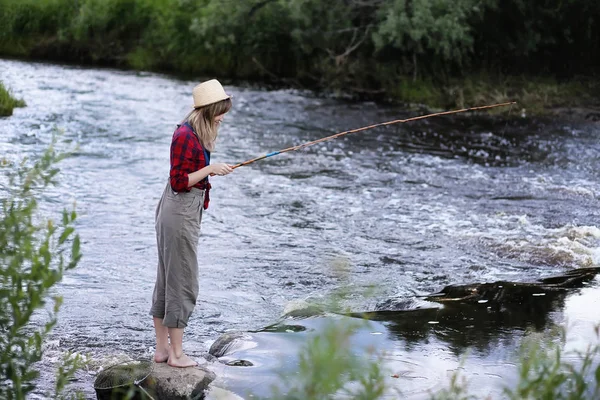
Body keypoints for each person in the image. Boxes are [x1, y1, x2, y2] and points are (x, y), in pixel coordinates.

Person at [150, 79, 233, 368]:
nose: (223, 117)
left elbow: (188, 175)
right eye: (221, 111)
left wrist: (213, 169)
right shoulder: (185, 135)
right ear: (208, 109)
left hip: (179, 210)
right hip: (179, 210)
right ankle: (176, 355)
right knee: (182, 282)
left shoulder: (195, 132)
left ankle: (162, 351)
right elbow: (179, 181)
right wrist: (210, 169)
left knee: (167, 281)